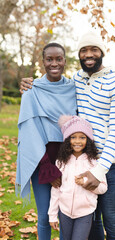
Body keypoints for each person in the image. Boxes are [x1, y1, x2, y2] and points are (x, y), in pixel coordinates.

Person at [20, 30, 115, 240]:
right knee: (91, 220)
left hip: (111, 164)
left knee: (112, 223)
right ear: (79, 55)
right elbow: (52, 87)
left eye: (94, 49)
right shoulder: (78, 80)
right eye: (84, 50)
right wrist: (29, 83)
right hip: (82, 159)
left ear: (102, 52)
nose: (89, 54)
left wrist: (99, 170)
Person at [16, 42, 77, 240]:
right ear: (42, 62)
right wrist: (47, 169)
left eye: (58, 59)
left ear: (65, 61)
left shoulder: (74, 89)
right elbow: (29, 134)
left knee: (67, 214)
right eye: (49, 59)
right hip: (41, 162)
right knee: (44, 217)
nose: (54, 63)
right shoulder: (31, 90)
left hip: (68, 162)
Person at [48, 115, 107, 240]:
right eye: (73, 137)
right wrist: (52, 215)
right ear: (67, 140)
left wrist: (86, 182)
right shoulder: (61, 162)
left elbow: (103, 188)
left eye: (82, 137)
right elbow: (55, 190)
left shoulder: (94, 163)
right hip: (64, 212)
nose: (77, 141)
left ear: (88, 140)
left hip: (85, 213)